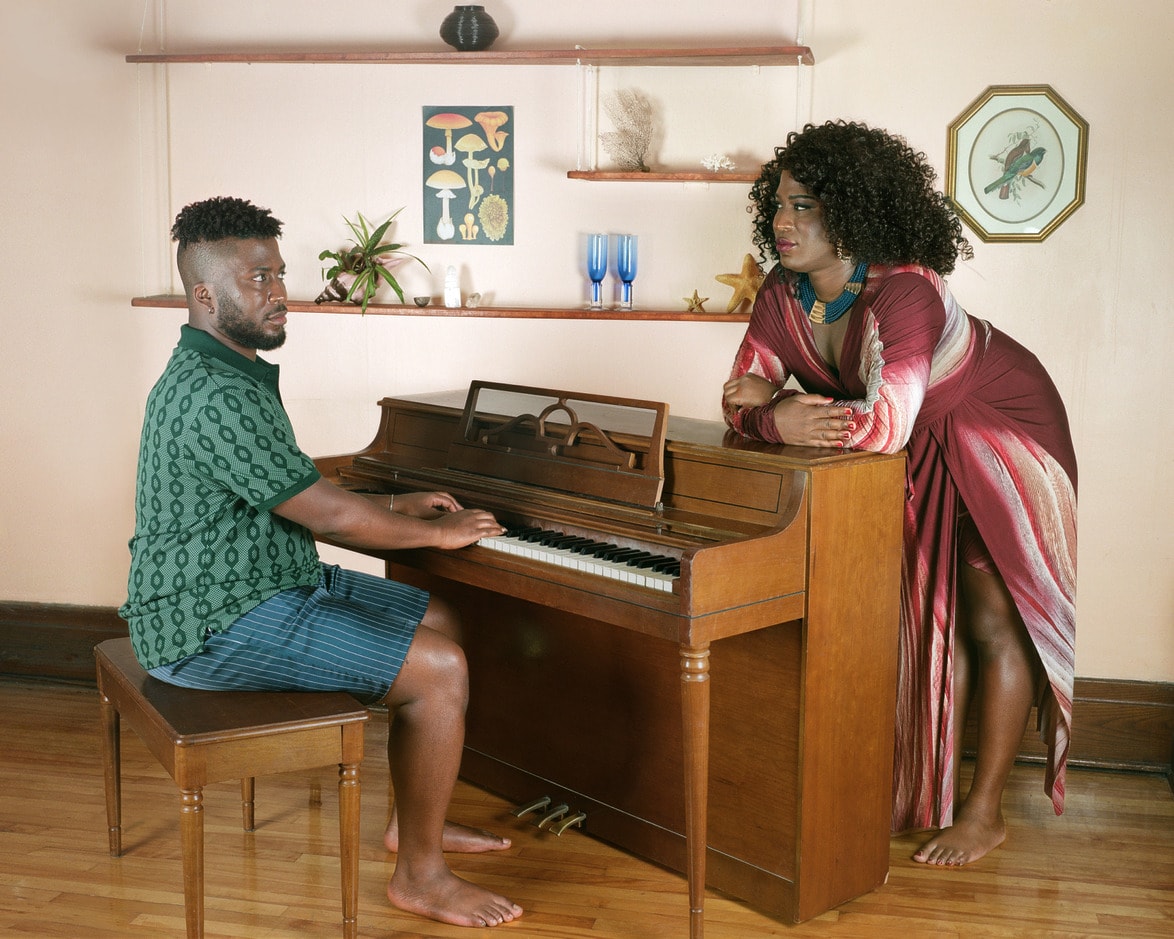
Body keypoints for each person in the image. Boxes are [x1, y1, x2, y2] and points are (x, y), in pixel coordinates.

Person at [119, 196, 523, 928]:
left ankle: (413, 824)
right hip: (209, 623)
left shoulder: (227, 370)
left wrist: (397, 510)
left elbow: (290, 484)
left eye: (278, 273)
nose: (278, 292)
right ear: (205, 295)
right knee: (441, 669)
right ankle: (421, 877)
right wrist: (436, 534)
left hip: (258, 581)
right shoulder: (213, 393)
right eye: (258, 278)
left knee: (442, 617)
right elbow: (329, 515)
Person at [722, 121, 1077, 867]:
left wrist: (778, 412)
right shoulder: (780, 296)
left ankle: (984, 814)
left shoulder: (907, 288)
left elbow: (883, 426)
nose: (784, 224)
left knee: (990, 619)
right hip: (917, 446)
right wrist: (768, 414)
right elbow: (736, 396)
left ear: (854, 211)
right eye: (779, 205)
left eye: (806, 206)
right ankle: (914, 792)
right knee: (910, 619)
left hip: (999, 428)